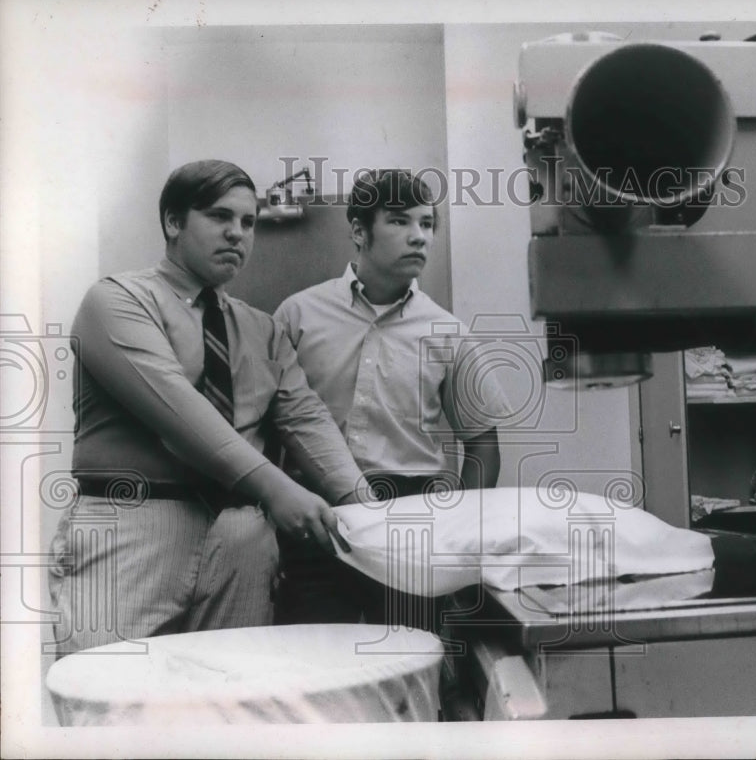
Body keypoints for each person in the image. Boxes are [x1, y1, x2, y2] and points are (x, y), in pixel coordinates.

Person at [49, 160, 371, 656]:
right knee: (117, 704)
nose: (237, 234)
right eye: (220, 217)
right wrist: (276, 487)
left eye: (248, 222)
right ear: (173, 223)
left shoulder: (261, 329)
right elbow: (178, 412)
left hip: (240, 535)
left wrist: (368, 509)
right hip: (135, 524)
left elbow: (308, 420)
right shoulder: (117, 302)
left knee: (229, 704)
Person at [273, 168, 511, 626]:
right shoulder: (297, 315)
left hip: (413, 518)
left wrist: (456, 534)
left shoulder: (448, 332)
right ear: (359, 231)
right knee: (315, 664)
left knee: (412, 665)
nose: (419, 237)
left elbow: (482, 444)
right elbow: (269, 424)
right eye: (400, 222)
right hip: (319, 515)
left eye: (427, 224)